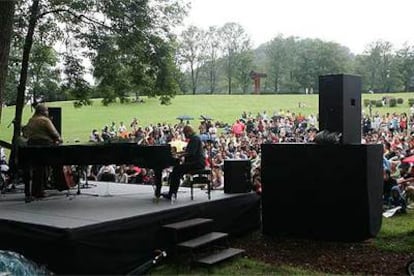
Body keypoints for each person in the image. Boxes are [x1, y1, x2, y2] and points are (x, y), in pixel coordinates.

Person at [24, 103, 62, 198]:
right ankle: (43, 189)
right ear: (43, 111)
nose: (47, 112)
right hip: (44, 146)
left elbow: (26, 133)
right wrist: (59, 139)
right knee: (46, 167)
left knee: (37, 169)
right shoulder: (45, 120)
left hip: (32, 147)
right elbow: (55, 133)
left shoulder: (31, 120)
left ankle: (35, 190)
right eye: (46, 110)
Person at [161, 125, 205, 200]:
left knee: (176, 170)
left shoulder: (194, 139)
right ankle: (173, 192)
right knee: (177, 171)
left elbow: (191, 153)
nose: (184, 135)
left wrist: (180, 155)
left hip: (196, 163)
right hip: (196, 162)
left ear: (189, 132)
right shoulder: (194, 138)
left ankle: (172, 193)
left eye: (185, 134)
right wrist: (179, 153)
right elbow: (188, 151)